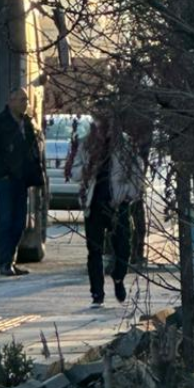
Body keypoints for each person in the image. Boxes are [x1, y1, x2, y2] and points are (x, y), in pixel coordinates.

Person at [66, 113, 146, 307]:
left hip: (118, 204)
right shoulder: (87, 144)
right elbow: (74, 172)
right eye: (100, 122)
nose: (104, 127)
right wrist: (85, 171)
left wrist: (129, 194)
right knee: (94, 250)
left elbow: (138, 171)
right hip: (94, 203)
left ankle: (118, 278)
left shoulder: (125, 144)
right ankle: (97, 293)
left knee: (123, 248)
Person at [0, 87, 45, 277]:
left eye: (26, 99)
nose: (24, 103)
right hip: (4, 181)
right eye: (20, 99)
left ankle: (11, 259)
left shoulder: (28, 123)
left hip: (21, 181)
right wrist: (3, 173)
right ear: (9, 101)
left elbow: (32, 151)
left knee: (19, 224)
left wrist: (36, 175)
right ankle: (4, 262)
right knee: (6, 221)